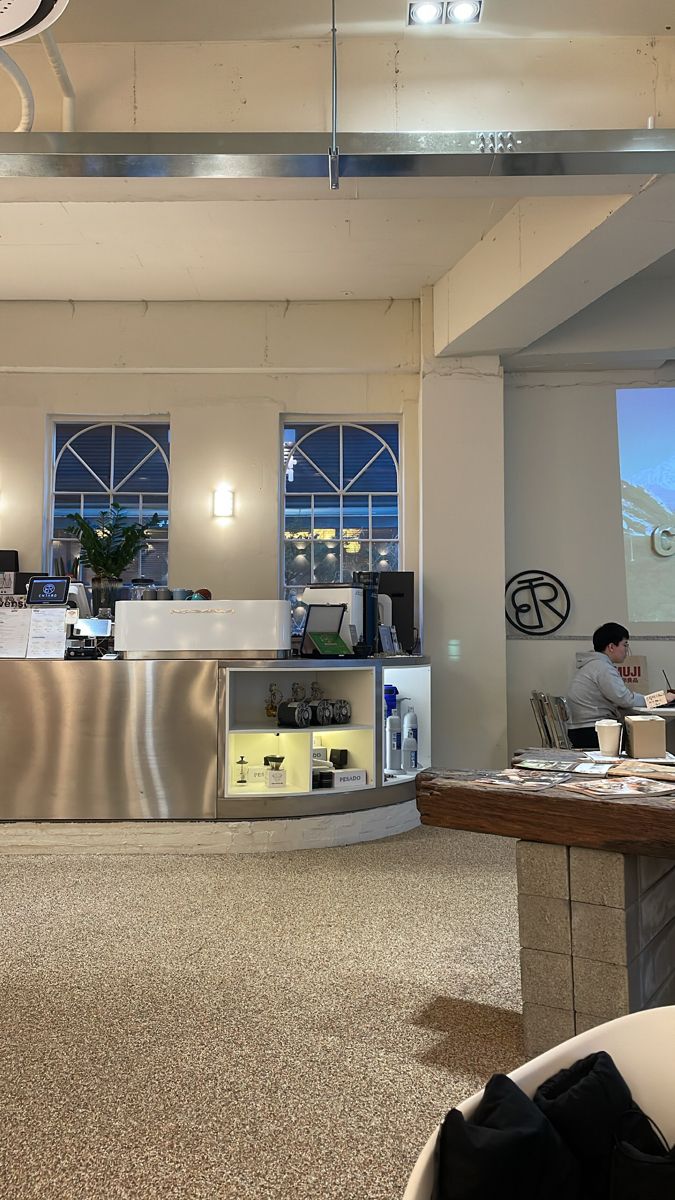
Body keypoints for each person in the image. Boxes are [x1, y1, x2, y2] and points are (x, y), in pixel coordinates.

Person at [565, 622, 675, 749]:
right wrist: (661, 699)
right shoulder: (602, 668)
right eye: (625, 645)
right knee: (648, 741)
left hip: (583, 731)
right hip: (592, 733)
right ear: (611, 646)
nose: (627, 650)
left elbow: (621, 700)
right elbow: (625, 699)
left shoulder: (593, 665)